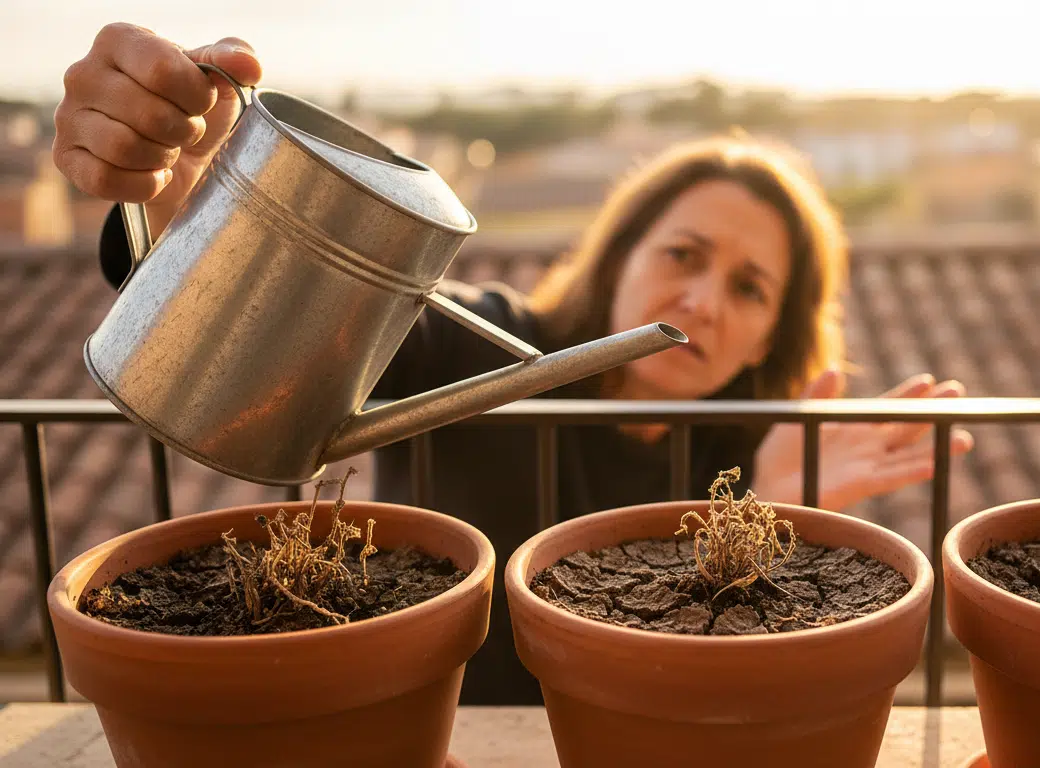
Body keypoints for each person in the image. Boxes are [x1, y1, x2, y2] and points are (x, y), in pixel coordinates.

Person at [52, 23, 975, 705]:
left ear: (772, 335)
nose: (703, 301)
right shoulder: (479, 347)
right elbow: (281, 316)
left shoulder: (752, 455)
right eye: (683, 254)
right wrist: (186, 196)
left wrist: (781, 510)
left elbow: (734, 690)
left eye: (749, 288)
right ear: (620, 257)